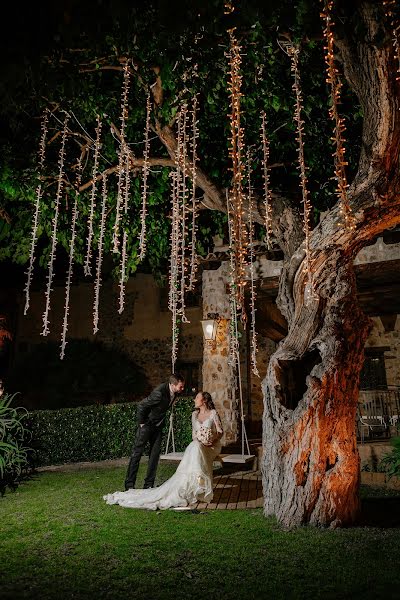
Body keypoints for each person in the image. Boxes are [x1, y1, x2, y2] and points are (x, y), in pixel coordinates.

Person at [104, 391, 224, 510]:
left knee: (195, 448)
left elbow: (220, 432)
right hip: (199, 445)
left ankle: (199, 486)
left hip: (212, 446)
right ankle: (193, 487)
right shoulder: (194, 415)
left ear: (204, 401)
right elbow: (194, 435)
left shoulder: (212, 413)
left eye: (197, 397)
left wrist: (211, 439)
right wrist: (200, 439)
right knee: (195, 446)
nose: (194, 399)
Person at [124, 373, 185, 491]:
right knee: (137, 454)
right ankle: (129, 485)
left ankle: (149, 484)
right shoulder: (159, 393)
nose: (182, 389)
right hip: (147, 426)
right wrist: (142, 423)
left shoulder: (174, 393)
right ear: (172, 385)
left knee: (154, 456)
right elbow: (141, 405)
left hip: (158, 427)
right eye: (180, 387)